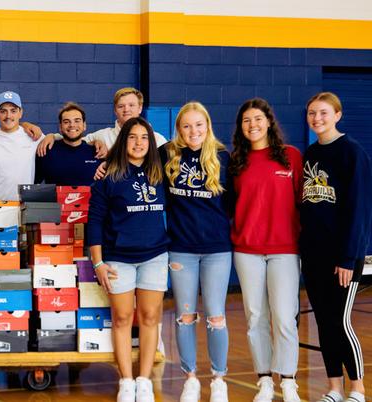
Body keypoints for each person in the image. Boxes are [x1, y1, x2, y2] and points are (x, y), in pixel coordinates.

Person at [87, 117, 168, 402]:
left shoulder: (161, 172)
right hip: (118, 258)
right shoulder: (108, 177)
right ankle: (126, 380)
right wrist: (97, 263)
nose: (138, 143)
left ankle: (144, 380)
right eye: (132, 137)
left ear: (151, 141)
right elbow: (94, 222)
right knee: (122, 318)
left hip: (155, 256)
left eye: (144, 137)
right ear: (123, 141)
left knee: (149, 317)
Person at [300, 92, 372, 402]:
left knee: (340, 322)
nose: (317, 118)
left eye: (324, 113)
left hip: (343, 258)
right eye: (312, 113)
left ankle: (357, 388)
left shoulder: (352, 153)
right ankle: (334, 387)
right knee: (323, 323)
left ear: (338, 115)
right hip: (313, 255)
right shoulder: (310, 154)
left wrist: (348, 257)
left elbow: (359, 210)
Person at [230, 98, 303, 402]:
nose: (253, 125)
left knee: (285, 317)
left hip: (285, 249)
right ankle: (264, 380)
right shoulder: (236, 161)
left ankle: (287, 380)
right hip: (247, 250)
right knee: (255, 317)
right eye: (246, 120)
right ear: (241, 127)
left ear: (269, 122)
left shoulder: (291, 157)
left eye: (258, 119)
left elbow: (304, 201)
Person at [162, 102, 231, 402]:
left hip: (216, 249)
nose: (193, 131)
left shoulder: (223, 157)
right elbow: (130, 155)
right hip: (181, 249)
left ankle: (219, 378)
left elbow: (234, 204)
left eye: (198, 125)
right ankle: (190, 378)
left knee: (216, 316)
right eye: (187, 126)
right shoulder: (167, 154)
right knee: (185, 316)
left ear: (208, 125)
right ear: (179, 129)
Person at [37, 87, 168, 158]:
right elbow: (74, 139)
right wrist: (53, 136)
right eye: (121, 106)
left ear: (140, 108)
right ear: (115, 110)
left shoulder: (157, 139)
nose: (126, 109)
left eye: (131, 105)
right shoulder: (102, 136)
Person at [0, 91, 45, 201]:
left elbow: (59, 142)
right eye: (3, 111)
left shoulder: (33, 136)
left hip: (24, 205)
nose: (8, 116)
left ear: (21, 113)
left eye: (13, 111)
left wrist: (53, 136)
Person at [34, 102, 101, 186]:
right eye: (66, 122)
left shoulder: (97, 152)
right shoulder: (46, 151)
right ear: (60, 127)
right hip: (55, 199)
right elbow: (33, 184)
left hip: (90, 199)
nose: (72, 125)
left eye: (77, 121)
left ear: (84, 125)